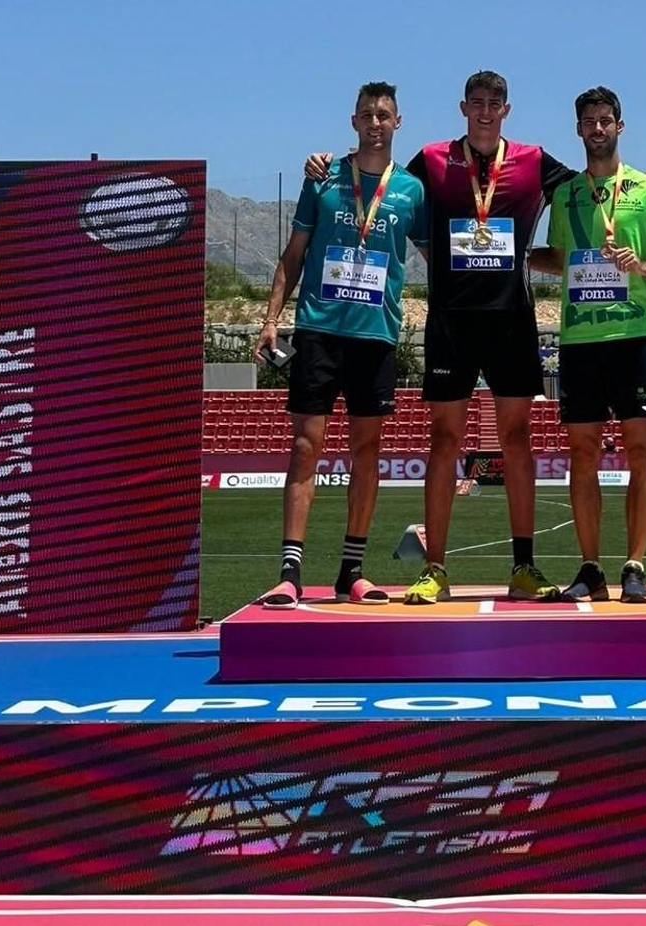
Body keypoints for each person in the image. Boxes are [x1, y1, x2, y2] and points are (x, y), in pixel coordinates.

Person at [307, 70, 577, 604]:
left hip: (512, 317)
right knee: (444, 441)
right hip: (451, 320)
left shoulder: (534, 159)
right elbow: (375, 179)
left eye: (493, 103)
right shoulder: (432, 160)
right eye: (475, 102)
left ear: (507, 109)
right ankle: (435, 569)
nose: (484, 111)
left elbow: (594, 183)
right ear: (462, 107)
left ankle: (524, 567)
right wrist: (325, 163)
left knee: (517, 440)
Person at [253, 81, 428, 609]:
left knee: (366, 453)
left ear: (398, 123)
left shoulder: (411, 189)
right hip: (319, 329)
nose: (376, 123)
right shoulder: (324, 176)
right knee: (305, 447)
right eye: (367, 115)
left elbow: (434, 256)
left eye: (385, 115)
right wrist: (270, 319)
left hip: (375, 335)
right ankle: (290, 571)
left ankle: (352, 569)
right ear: (354, 121)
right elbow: (294, 253)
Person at [530, 86, 646, 603]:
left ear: (620, 127)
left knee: (642, 450)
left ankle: (635, 565)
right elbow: (559, 256)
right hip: (580, 339)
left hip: (633, 335)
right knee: (583, 453)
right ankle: (591, 567)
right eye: (589, 121)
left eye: (605, 120)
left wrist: (642, 266)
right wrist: (510, 254)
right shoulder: (566, 194)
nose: (597, 129)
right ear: (578, 130)